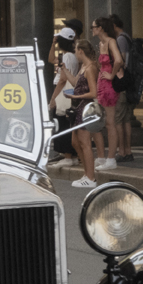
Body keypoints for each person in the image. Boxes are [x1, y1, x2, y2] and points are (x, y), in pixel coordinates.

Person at [63, 39, 100, 189]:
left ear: (81, 51)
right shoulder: (83, 66)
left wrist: (75, 97)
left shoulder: (91, 68)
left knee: (85, 143)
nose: (75, 53)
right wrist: (64, 70)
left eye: (76, 50)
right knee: (75, 142)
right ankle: (86, 173)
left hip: (85, 108)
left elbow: (93, 92)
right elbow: (74, 83)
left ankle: (91, 177)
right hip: (79, 108)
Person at [91, 17, 124, 171]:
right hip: (102, 83)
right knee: (106, 122)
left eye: (94, 27)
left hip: (108, 84)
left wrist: (111, 74)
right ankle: (106, 157)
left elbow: (118, 60)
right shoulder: (102, 43)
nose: (92, 29)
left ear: (101, 28)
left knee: (110, 122)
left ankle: (111, 158)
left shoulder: (110, 41)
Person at [47, 26, 80, 168]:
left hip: (63, 90)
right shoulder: (71, 55)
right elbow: (50, 59)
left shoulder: (67, 57)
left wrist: (53, 98)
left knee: (62, 122)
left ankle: (67, 155)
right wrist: (53, 44)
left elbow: (62, 79)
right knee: (67, 122)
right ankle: (71, 155)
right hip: (69, 90)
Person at [110, 13, 135, 162]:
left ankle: (122, 151)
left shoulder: (119, 39)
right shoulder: (127, 37)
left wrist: (112, 74)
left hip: (122, 83)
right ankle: (128, 150)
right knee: (126, 120)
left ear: (114, 26)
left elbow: (121, 61)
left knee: (118, 119)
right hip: (129, 83)